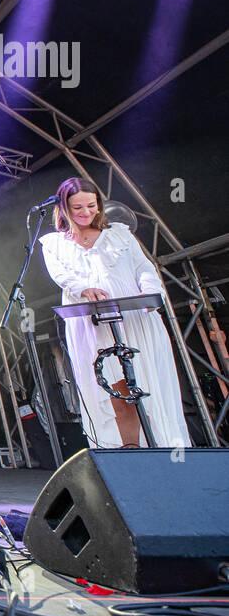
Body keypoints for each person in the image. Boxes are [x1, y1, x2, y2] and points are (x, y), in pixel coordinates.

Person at [39, 178, 191, 449]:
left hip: (135, 318)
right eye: (78, 208)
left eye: (91, 205)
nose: (86, 212)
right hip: (93, 324)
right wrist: (85, 288)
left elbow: (143, 267)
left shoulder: (119, 233)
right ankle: (127, 450)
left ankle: (163, 449)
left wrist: (150, 292)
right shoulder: (54, 244)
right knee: (113, 387)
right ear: (63, 208)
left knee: (146, 383)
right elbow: (60, 274)